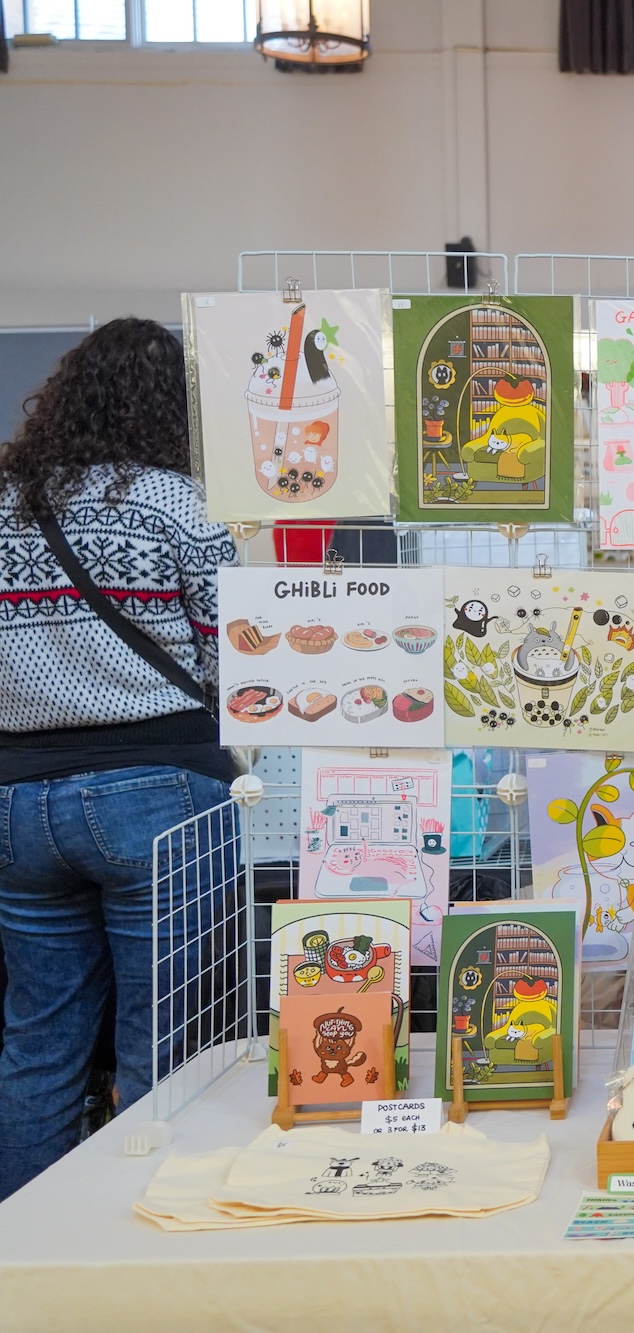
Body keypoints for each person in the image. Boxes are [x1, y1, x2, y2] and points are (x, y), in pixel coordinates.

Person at [0, 319, 237, 1201]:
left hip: (16, 802)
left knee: (37, 1041)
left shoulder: (2, 503)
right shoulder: (178, 503)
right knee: (166, 1042)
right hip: (156, 793)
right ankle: (139, 1242)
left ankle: (26, 1251)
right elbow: (236, 660)